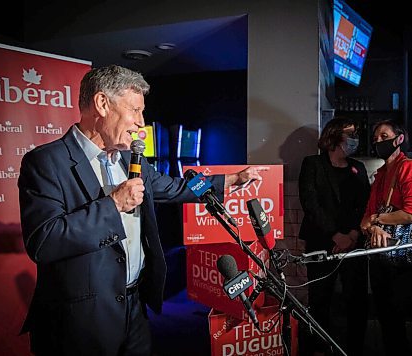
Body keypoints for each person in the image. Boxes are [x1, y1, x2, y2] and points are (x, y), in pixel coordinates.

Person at [17, 64, 267, 356]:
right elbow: (44, 242)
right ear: (101, 104)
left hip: (134, 306)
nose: (140, 122)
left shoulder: (129, 157)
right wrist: (112, 205)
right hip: (81, 318)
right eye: (135, 110)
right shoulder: (46, 162)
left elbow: (175, 187)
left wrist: (230, 180)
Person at [299, 118, 370, 356]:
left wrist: (352, 234)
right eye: (350, 133)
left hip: (354, 244)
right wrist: (335, 235)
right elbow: (311, 204)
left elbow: (365, 206)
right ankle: (320, 347)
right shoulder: (312, 164)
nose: (354, 138)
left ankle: (354, 347)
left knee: (356, 299)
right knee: (320, 299)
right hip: (321, 242)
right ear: (334, 136)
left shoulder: (358, 167)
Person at [360, 120, 412, 356]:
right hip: (379, 255)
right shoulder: (380, 174)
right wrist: (374, 226)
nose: (378, 141)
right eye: (376, 137)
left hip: (402, 258)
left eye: (384, 136)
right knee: (385, 317)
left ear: (399, 139)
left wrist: (377, 221)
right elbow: (364, 220)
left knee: (396, 317)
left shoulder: (406, 167)